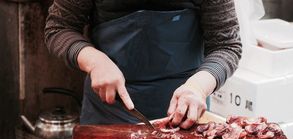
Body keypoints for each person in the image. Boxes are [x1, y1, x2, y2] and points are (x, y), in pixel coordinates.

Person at [45, 0, 242, 129]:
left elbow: (226, 45)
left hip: (184, 114)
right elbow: (60, 27)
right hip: (108, 112)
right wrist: (95, 61)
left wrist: (198, 87)